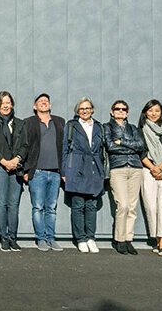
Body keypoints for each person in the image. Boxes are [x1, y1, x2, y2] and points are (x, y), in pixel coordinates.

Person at [22, 93, 66, 251]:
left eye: (46, 101)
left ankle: (51, 238)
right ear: (35, 107)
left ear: (50, 105)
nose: (43, 103)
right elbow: (25, 147)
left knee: (51, 207)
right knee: (38, 206)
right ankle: (41, 238)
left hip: (55, 172)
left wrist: (64, 171)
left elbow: (64, 148)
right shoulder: (29, 122)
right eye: (40, 102)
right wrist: (25, 170)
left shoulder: (59, 122)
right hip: (37, 172)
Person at [62, 97, 105, 253]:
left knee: (91, 206)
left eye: (87, 108)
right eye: (81, 109)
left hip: (94, 168)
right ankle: (80, 239)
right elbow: (64, 150)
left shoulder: (99, 127)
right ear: (77, 111)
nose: (85, 111)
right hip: (77, 168)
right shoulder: (72, 125)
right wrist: (64, 171)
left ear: (92, 109)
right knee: (78, 205)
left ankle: (91, 238)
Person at [0, 91, 27, 251]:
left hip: (16, 167)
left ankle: (12, 237)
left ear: (12, 104)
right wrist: (4, 162)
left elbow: (25, 145)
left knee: (14, 204)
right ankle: (3, 237)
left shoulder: (20, 123)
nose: (6, 105)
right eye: (3, 103)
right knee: (1, 203)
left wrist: (16, 159)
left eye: (8, 102)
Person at [104, 98, 145, 255]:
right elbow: (110, 146)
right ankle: (120, 240)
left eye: (123, 109)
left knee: (132, 207)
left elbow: (140, 145)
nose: (120, 111)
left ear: (127, 112)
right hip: (118, 168)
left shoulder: (134, 128)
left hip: (135, 168)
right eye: (117, 109)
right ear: (112, 112)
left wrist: (122, 142)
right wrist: (128, 146)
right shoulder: (107, 127)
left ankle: (129, 239)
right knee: (123, 205)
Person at [139, 99, 162, 257]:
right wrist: (153, 168)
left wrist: (160, 167)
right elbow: (140, 151)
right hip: (148, 170)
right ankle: (156, 238)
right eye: (150, 110)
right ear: (145, 112)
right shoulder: (140, 130)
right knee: (150, 205)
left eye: (157, 111)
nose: (153, 114)